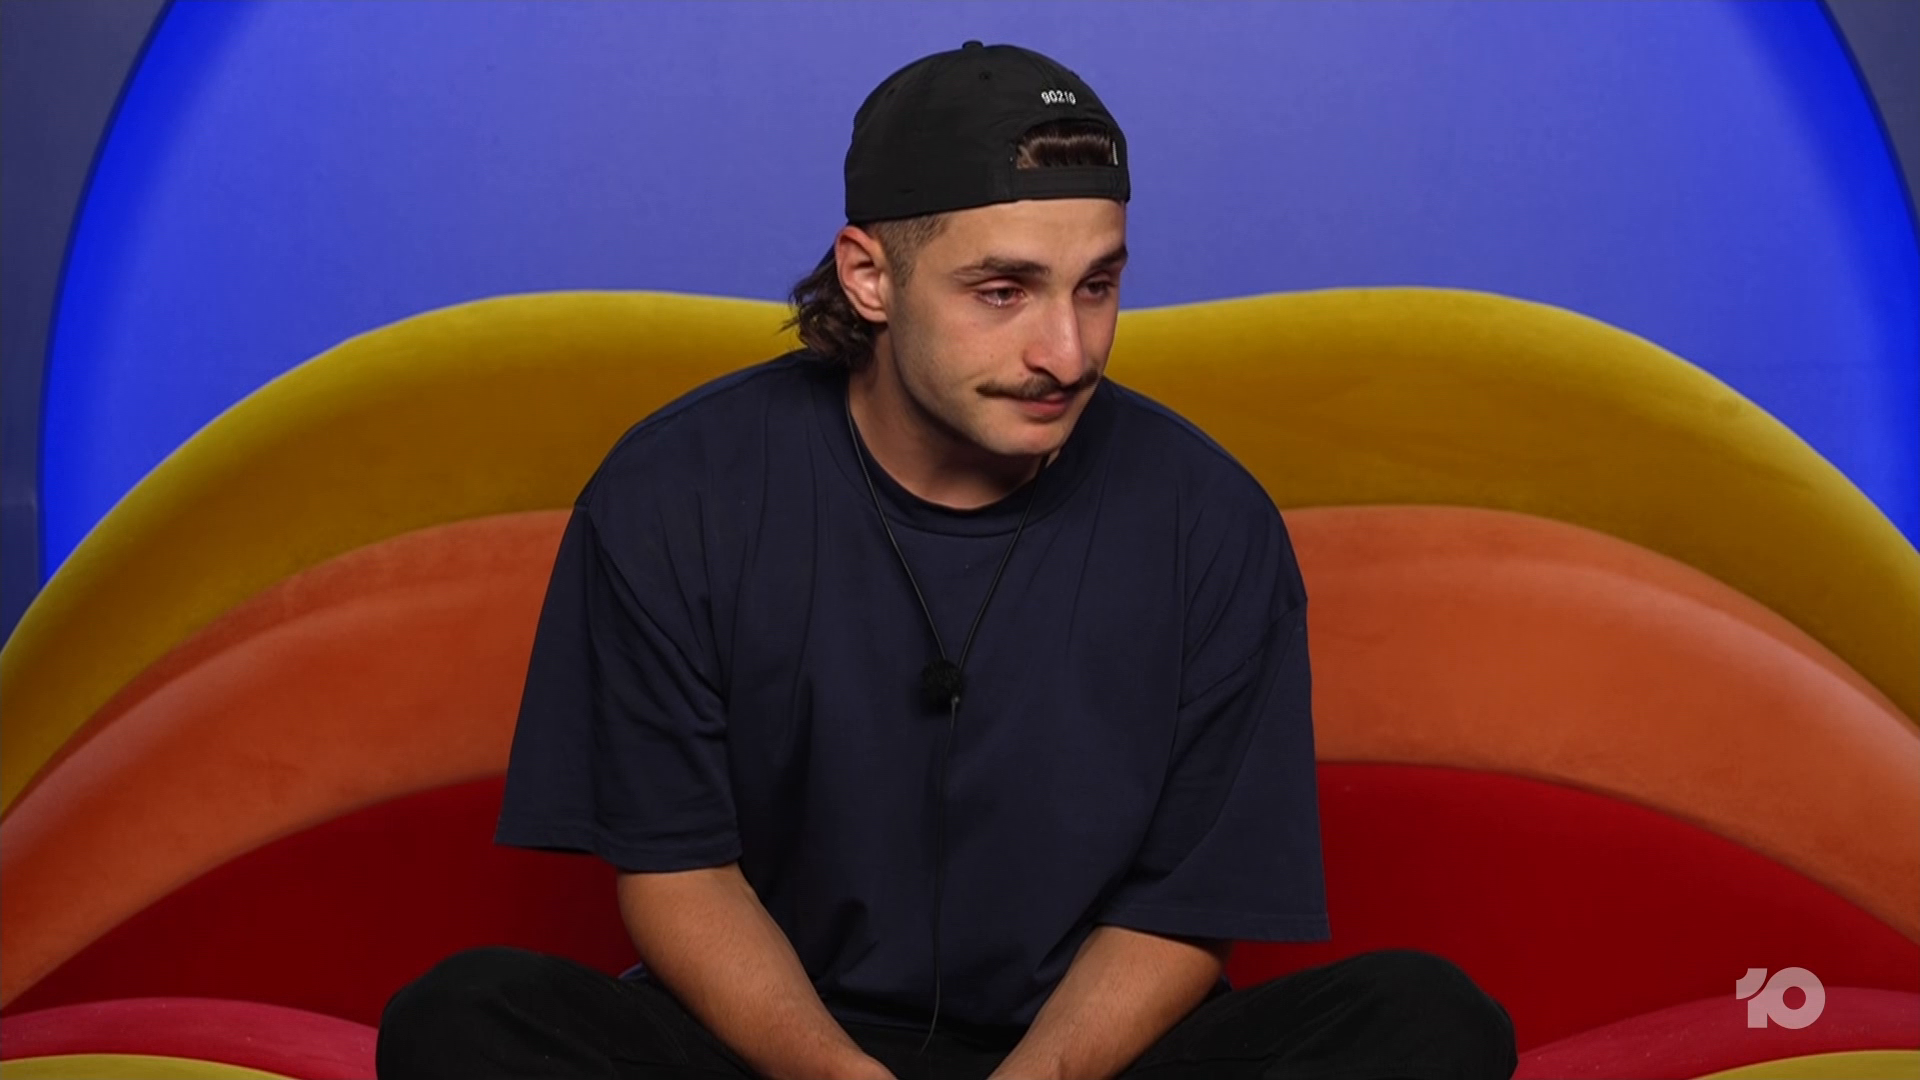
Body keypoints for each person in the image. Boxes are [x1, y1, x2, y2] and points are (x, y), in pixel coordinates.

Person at [376, 41, 1517, 1080]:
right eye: (1003, 291)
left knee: (1427, 1022)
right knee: (465, 1018)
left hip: (1089, 1058)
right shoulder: (676, 493)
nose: (1066, 351)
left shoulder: (1211, 521)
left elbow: (1184, 908)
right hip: (776, 1050)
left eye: (1098, 286)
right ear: (869, 276)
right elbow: (681, 872)